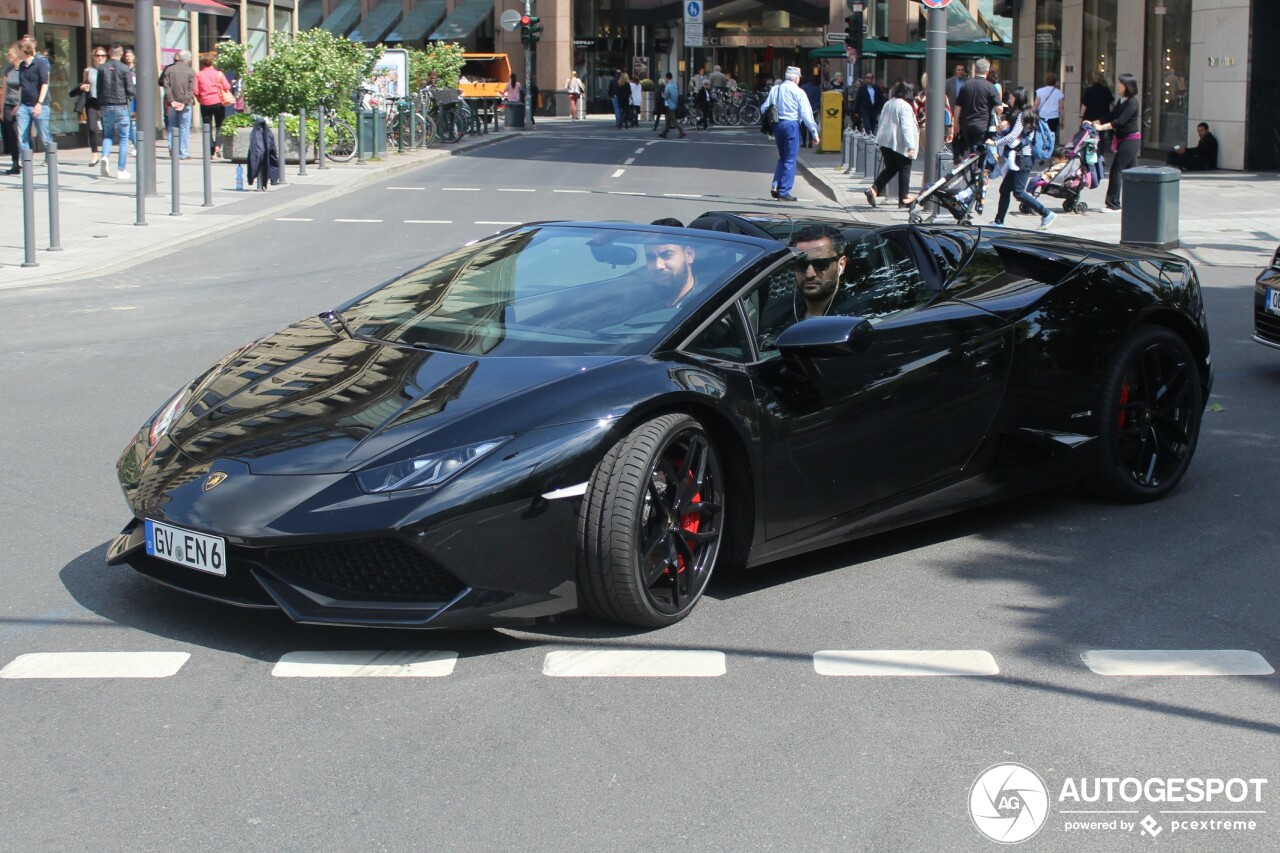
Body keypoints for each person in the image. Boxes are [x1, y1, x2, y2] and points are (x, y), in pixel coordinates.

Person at [987, 86, 1056, 230]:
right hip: (1019, 158)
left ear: (1017, 98)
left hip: (1023, 158)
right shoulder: (1024, 113)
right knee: (1005, 190)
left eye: (1011, 96)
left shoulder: (1022, 115)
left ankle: (1047, 213)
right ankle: (999, 221)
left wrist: (995, 142)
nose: (1009, 99)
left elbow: (1013, 136)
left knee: (1018, 192)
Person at [762, 66, 819, 201]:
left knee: (782, 157)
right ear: (796, 78)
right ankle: (784, 192)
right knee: (790, 159)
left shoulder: (776, 89)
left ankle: (776, 185)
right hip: (791, 124)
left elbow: (764, 107)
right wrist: (814, 132)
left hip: (777, 125)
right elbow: (806, 114)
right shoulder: (799, 92)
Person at [1088, 72, 1141, 211]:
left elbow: (1120, 121)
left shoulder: (1132, 102)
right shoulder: (1122, 100)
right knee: (1132, 173)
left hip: (1130, 140)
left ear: (1127, 86)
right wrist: (1097, 121)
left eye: (1120, 83)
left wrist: (1102, 127)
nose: (1117, 86)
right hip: (1124, 139)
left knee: (1116, 170)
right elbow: (1112, 115)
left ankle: (1113, 204)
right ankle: (1134, 202)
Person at [953, 58, 1001, 208]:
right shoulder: (990, 87)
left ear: (975, 70)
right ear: (987, 71)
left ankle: (972, 181)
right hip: (982, 128)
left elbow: (958, 106)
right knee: (981, 160)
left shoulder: (966, 85)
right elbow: (999, 109)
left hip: (967, 127)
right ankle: (975, 187)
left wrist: (956, 124)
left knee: (972, 155)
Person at [864, 81, 919, 209]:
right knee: (905, 167)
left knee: (891, 168)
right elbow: (906, 127)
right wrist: (911, 146)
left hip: (885, 141)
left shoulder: (888, 103)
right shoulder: (904, 106)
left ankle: (874, 189)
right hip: (898, 142)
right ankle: (904, 197)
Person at [788, 223, 847, 321]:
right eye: (801, 264)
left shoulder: (854, 315)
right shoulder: (777, 311)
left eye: (821, 264)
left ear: (841, 264)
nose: (809, 274)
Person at [94, 43, 132, 178]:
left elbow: (98, 89)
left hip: (105, 105)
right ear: (121, 54)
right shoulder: (125, 68)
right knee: (123, 138)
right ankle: (121, 169)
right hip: (121, 105)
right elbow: (130, 89)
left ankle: (105, 156)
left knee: (108, 134)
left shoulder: (101, 68)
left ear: (109, 53)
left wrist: (99, 106)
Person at [14, 37, 51, 163]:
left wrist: (39, 104)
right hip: (24, 105)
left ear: (24, 51)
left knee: (44, 137)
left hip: (40, 105)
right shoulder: (21, 66)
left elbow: (44, 83)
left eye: (18, 50)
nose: (16, 53)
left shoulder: (40, 63)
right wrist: (18, 104)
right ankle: (26, 162)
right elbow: (22, 87)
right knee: (22, 135)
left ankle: (51, 159)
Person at [160, 50, 195, 160]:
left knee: (172, 126)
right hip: (186, 104)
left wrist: (172, 101)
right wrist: (183, 102)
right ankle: (183, 153)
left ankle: (172, 149)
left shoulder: (169, 70)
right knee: (184, 128)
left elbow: (167, 87)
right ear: (187, 59)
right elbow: (191, 90)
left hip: (172, 104)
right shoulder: (191, 71)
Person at [194, 52, 230, 157]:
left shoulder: (199, 75)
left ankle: (209, 151)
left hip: (205, 103)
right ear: (212, 62)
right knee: (219, 125)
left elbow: (196, 91)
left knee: (207, 127)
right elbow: (227, 87)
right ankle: (218, 146)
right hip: (218, 102)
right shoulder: (219, 74)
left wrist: (199, 99)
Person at [644, 238, 697, 308]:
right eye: (650, 257)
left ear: (689, 255)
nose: (658, 266)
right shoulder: (641, 303)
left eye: (667, 255)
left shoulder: (707, 303)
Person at [79, 46, 106, 166]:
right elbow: (84, 84)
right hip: (92, 101)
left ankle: (105, 154)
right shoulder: (88, 70)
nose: (100, 57)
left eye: (103, 55)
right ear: (94, 57)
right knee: (92, 128)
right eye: (98, 55)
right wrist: (83, 87)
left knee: (106, 129)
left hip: (105, 102)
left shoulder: (109, 69)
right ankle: (95, 155)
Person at [4, 43, 23, 174]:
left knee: (19, 134)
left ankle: (23, 160)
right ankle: (15, 162)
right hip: (7, 104)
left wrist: (19, 104)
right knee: (11, 134)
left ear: (16, 55)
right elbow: (4, 89)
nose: (7, 56)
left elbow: (24, 88)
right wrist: (1, 110)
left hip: (20, 105)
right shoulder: (7, 70)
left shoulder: (23, 69)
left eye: (9, 54)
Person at [1080, 71, 1113, 147]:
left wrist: (1081, 117)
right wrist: (1112, 116)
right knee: (1100, 137)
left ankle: (1089, 154)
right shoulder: (1106, 90)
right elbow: (1111, 105)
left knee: (1089, 136)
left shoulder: (1089, 91)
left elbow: (1084, 105)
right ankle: (1100, 155)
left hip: (1090, 117)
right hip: (1103, 117)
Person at [1034, 72, 1065, 136]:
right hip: (1054, 117)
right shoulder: (1059, 93)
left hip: (1042, 116)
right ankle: (1051, 145)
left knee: (1042, 135)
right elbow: (1061, 108)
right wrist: (1062, 121)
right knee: (1052, 135)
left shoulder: (1040, 91)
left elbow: (1035, 105)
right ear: (1055, 81)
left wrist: (1033, 116)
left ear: (1046, 81)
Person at [658, 72, 684, 139]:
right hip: (675, 103)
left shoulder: (668, 86)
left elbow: (666, 96)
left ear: (666, 78)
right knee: (667, 119)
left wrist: (662, 95)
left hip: (669, 104)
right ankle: (664, 132)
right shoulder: (675, 85)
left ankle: (681, 131)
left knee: (673, 121)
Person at [800, 74, 821, 147]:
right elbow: (818, 99)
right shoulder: (817, 88)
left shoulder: (803, 88)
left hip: (804, 108)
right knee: (811, 124)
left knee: (803, 126)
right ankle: (810, 142)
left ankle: (804, 142)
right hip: (814, 109)